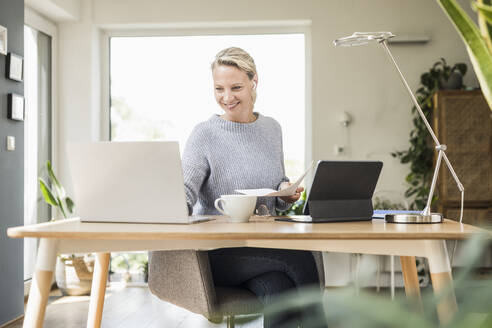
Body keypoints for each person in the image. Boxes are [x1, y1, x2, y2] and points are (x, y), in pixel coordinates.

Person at [182, 47, 323, 328]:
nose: (226, 97)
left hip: (265, 248)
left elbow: (275, 190)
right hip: (220, 252)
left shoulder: (272, 128)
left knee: (279, 288)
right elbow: (185, 191)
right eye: (219, 88)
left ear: (253, 82)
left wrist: (286, 191)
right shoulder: (204, 134)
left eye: (235, 87)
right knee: (301, 258)